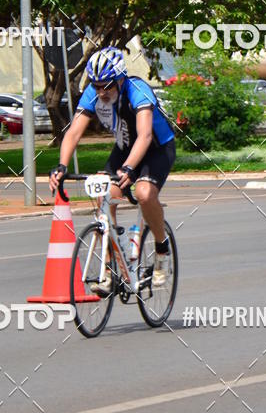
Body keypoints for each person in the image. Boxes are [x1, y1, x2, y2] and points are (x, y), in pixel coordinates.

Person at [48, 47, 176, 292]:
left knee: (144, 194)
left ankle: (162, 250)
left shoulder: (137, 90)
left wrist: (129, 168)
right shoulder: (93, 93)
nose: (101, 92)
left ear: (120, 79)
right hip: (125, 147)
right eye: (96, 86)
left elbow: (145, 135)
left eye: (106, 86)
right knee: (102, 194)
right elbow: (74, 131)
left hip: (156, 148)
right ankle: (109, 269)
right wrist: (62, 165)